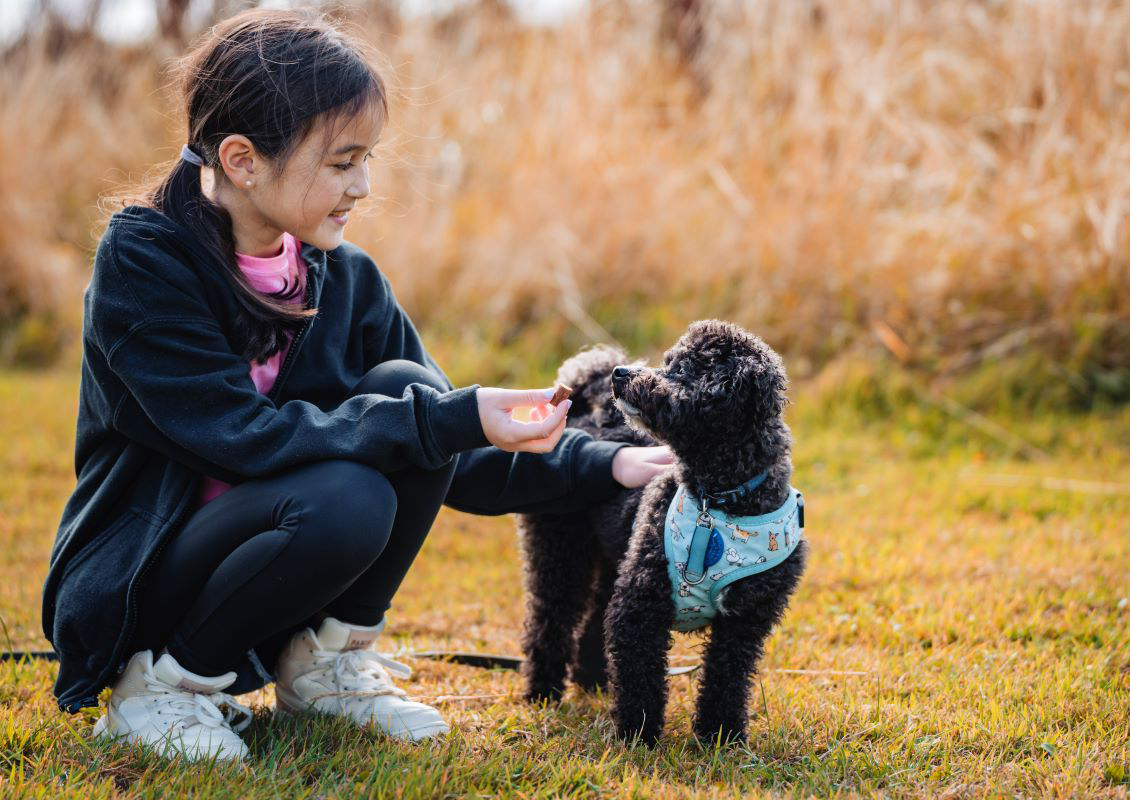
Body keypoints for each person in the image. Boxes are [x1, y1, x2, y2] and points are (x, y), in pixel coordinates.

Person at [41, 7, 674, 763]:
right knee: (354, 494)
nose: (364, 184)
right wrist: (447, 418)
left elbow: (441, 440)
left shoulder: (345, 278)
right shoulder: (145, 265)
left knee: (407, 385)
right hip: (147, 584)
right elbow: (239, 437)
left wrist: (601, 465)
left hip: (278, 563)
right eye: (342, 162)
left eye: (367, 158)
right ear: (243, 160)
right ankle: (165, 689)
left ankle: (325, 667)